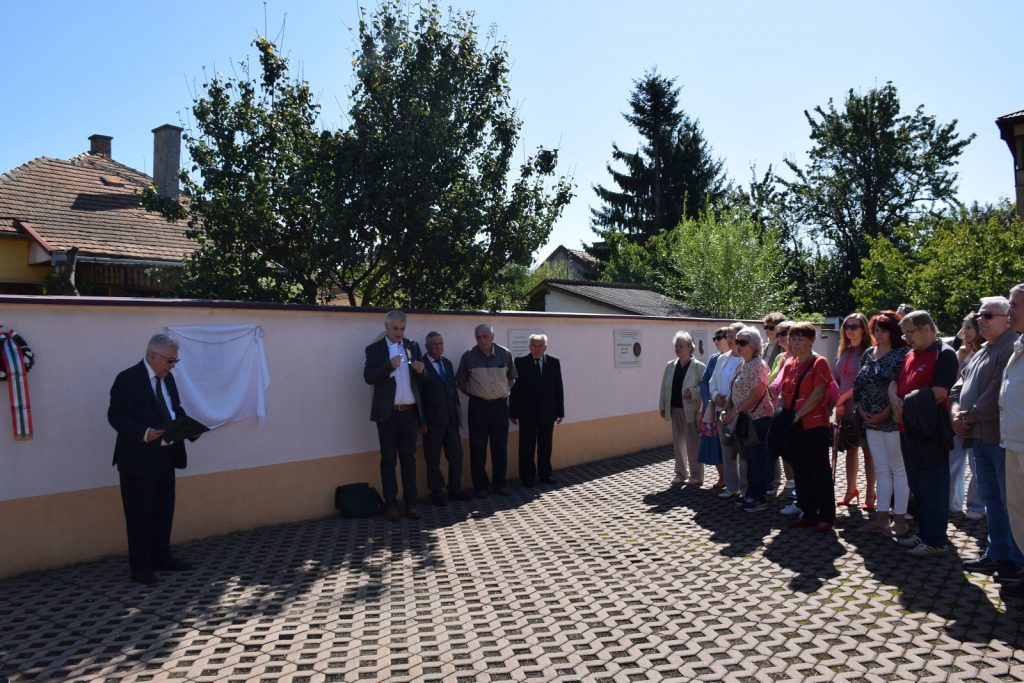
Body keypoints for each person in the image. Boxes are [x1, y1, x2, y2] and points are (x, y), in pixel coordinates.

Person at [108, 333, 194, 585]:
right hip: (137, 459)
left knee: (163, 510)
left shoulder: (168, 379)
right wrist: (144, 433)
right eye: (170, 360)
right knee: (139, 515)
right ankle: (140, 567)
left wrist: (189, 428)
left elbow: (174, 410)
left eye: (176, 360)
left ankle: (161, 557)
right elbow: (116, 416)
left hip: (166, 455)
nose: (173, 366)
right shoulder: (128, 379)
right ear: (152, 355)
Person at [951, 297, 1023, 583]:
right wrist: (955, 414)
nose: (981, 320)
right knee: (992, 501)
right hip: (978, 438)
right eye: (979, 315)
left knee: (1009, 503)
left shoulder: (1010, 346)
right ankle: (997, 552)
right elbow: (958, 386)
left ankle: (1014, 560)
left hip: (998, 437)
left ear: (1006, 318)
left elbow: (997, 392)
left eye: (988, 316)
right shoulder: (982, 350)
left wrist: (969, 417)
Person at [890, 310, 958, 557]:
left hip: (930, 431)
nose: (907, 339)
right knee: (917, 485)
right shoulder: (910, 354)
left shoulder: (944, 354)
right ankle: (924, 533)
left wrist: (904, 404)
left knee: (933, 486)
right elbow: (895, 382)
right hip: (907, 429)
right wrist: (894, 401)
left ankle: (936, 541)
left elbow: (940, 392)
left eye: (910, 333)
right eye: (904, 334)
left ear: (926, 328)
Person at [364, 310, 426, 521]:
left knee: (409, 460)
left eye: (402, 328)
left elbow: (422, 381)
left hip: (409, 412)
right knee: (388, 460)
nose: (399, 332)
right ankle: (391, 505)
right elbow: (368, 377)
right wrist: (388, 366)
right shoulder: (374, 349)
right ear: (386, 327)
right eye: (395, 328)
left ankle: (411, 504)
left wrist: (422, 371)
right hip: (387, 414)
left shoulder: (412, 346)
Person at [854, 311, 910, 535]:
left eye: (884, 330)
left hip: (892, 420)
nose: (879, 334)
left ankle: (900, 519)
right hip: (870, 420)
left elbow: (902, 388)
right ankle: (882, 516)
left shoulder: (903, 354)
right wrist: (860, 408)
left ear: (894, 332)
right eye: (876, 329)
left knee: (898, 469)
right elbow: (859, 384)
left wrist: (885, 413)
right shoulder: (869, 353)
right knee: (882, 469)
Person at [780, 322, 835, 532]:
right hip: (795, 425)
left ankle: (826, 516)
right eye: (792, 339)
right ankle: (808, 512)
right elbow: (784, 393)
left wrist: (798, 415)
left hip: (814, 424)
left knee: (819, 470)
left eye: (800, 339)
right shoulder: (790, 364)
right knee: (800, 469)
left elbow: (818, 393)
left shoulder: (819, 362)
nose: (794, 343)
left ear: (811, 340)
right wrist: (784, 416)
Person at [457, 324, 517, 496]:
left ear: (492, 337)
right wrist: (476, 394)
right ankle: (481, 487)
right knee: (478, 448)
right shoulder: (468, 356)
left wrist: (500, 392)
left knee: (500, 447)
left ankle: (500, 485)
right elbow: (461, 382)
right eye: (478, 337)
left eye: (485, 336)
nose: (482, 340)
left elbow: (512, 378)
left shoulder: (505, 354)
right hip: (478, 407)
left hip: (500, 406)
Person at [720, 326, 773, 512]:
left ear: (754, 345)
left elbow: (757, 392)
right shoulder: (742, 365)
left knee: (757, 459)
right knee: (749, 458)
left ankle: (759, 498)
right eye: (737, 341)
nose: (738, 345)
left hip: (758, 419)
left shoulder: (759, 365)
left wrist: (736, 411)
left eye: (743, 342)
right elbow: (734, 389)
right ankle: (750, 494)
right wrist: (727, 409)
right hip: (745, 419)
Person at [420, 331, 470, 506]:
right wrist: (422, 421)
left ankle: (454, 488)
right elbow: (419, 396)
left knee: (456, 455)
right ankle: (436, 491)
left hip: (450, 420)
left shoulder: (447, 363)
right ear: (427, 347)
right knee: (433, 458)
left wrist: (457, 415)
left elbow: (452, 391)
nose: (438, 347)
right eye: (434, 344)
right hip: (432, 422)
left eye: (440, 343)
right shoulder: (421, 366)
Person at [510, 334, 565, 488]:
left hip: (547, 412)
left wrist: (560, 411)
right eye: (533, 345)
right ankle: (527, 477)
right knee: (526, 446)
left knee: (545, 445)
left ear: (545, 347)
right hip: (527, 412)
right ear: (529, 347)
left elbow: (558, 387)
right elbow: (515, 389)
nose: (536, 349)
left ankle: (545, 475)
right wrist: (513, 412)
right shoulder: (520, 362)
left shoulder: (554, 362)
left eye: (540, 346)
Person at [834, 313, 875, 510]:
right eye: (846, 326)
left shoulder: (869, 352)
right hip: (843, 408)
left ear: (863, 329)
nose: (849, 330)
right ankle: (851, 490)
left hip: (862, 407)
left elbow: (861, 382)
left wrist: (841, 399)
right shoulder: (844, 350)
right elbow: (836, 379)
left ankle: (870, 494)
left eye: (854, 326)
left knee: (868, 452)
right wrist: (837, 401)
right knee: (850, 450)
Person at [1000, 283, 1024, 597]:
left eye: (1014, 305)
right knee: (1018, 513)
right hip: (1013, 443)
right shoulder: (1019, 345)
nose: (1009, 311)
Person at [658, 331, 706, 488]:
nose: (678, 349)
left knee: (693, 444)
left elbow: (704, 388)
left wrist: (692, 392)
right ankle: (680, 473)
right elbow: (664, 388)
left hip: (691, 410)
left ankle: (696, 475)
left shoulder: (699, 367)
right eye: (676, 346)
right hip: (674, 408)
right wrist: (662, 406)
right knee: (678, 443)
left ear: (690, 347)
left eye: (681, 346)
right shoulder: (670, 366)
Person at [950, 312, 985, 520]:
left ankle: (976, 505)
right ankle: (953, 502)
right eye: (963, 328)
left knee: (976, 462)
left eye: (969, 327)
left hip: (978, 415)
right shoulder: (960, 352)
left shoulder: (985, 352)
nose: (965, 332)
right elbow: (954, 383)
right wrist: (960, 359)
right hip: (957, 413)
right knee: (954, 459)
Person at [709, 322, 747, 499]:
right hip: (721, 411)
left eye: (733, 337)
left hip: (739, 412)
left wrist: (731, 400)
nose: (729, 340)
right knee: (727, 450)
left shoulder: (746, 359)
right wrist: (716, 395)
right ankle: (731, 487)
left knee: (743, 452)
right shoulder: (722, 358)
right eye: (728, 337)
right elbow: (712, 381)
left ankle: (745, 488)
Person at [698, 328, 729, 487]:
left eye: (719, 337)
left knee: (729, 444)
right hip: (712, 407)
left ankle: (734, 479)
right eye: (714, 338)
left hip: (729, 408)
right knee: (714, 443)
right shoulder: (714, 358)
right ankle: (722, 477)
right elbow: (704, 381)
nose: (716, 341)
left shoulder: (736, 358)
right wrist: (707, 401)